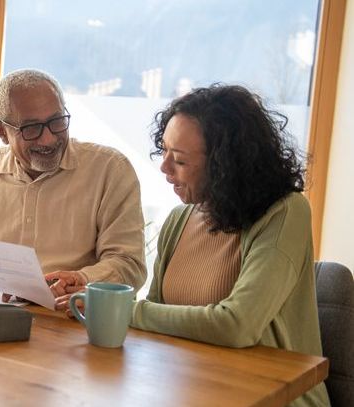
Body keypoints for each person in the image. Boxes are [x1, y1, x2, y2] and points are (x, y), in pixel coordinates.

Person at [126, 84, 328, 406]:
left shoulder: (285, 211)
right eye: (163, 151)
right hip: (192, 390)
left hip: (274, 398)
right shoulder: (178, 220)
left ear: (224, 165)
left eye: (179, 160)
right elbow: (154, 319)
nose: (164, 168)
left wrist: (128, 311)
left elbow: (237, 325)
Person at [0, 68, 146, 309]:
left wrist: (83, 280)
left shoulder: (110, 169)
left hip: (71, 319)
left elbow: (129, 264)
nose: (48, 139)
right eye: (31, 128)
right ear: (2, 132)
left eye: (57, 122)